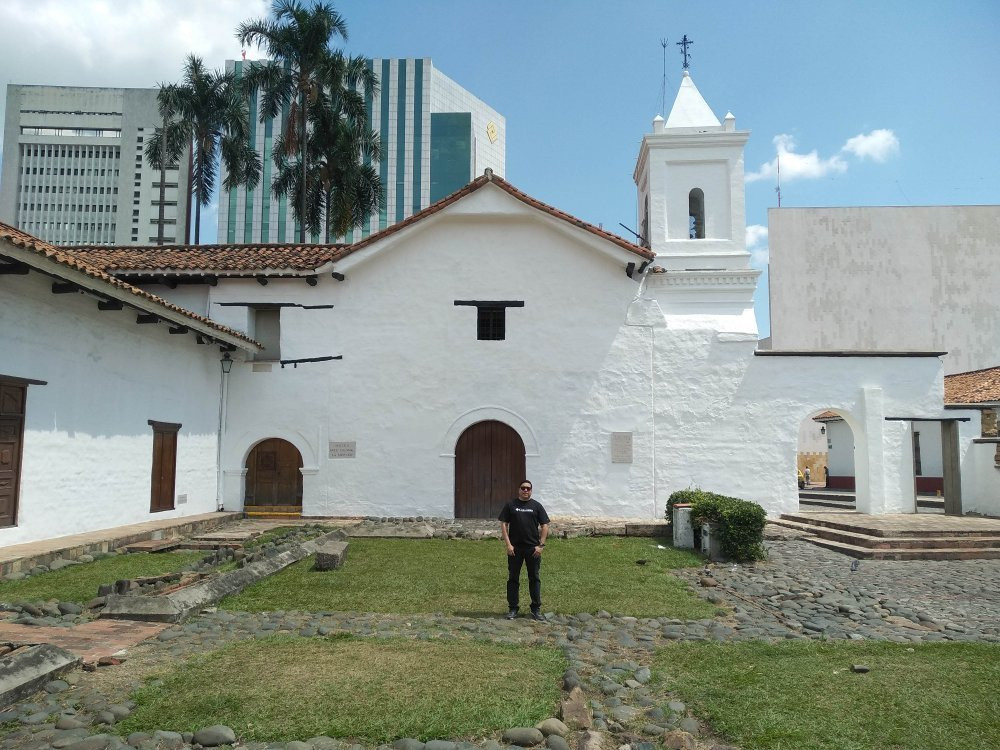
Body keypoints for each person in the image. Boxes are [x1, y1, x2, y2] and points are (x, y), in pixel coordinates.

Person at [498, 480, 550, 621]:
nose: (525, 490)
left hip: (533, 549)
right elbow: (504, 524)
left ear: (531, 491)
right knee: (513, 578)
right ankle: (513, 608)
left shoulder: (537, 506)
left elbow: (545, 525)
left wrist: (541, 546)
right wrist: (508, 545)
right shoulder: (511, 505)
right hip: (515, 549)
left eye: (528, 488)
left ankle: (536, 609)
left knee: (534, 578)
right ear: (519, 490)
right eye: (523, 488)